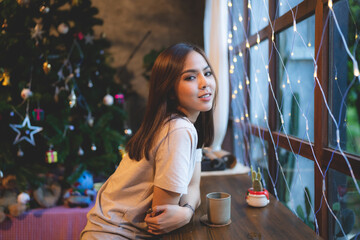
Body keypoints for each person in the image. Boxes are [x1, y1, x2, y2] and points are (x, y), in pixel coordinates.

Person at [80, 42, 217, 239]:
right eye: (191, 77)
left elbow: (193, 187)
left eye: (208, 73)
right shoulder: (178, 129)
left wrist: (186, 211)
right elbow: (162, 219)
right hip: (114, 235)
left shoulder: (183, 125)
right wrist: (186, 212)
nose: (205, 83)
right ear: (170, 91)